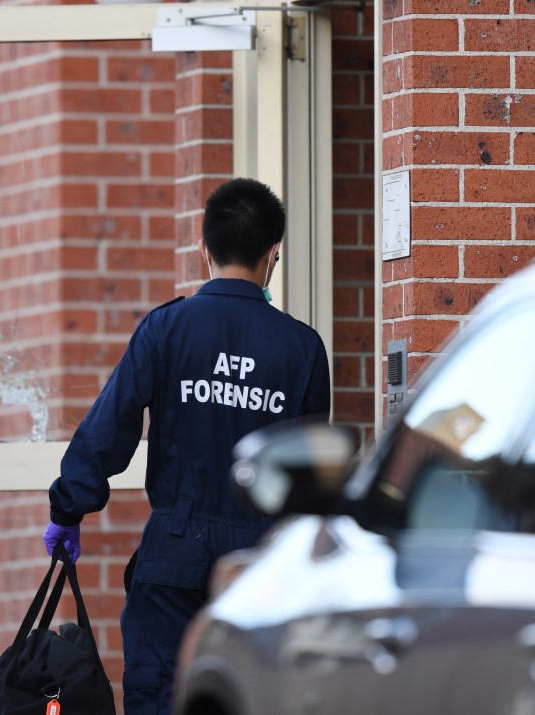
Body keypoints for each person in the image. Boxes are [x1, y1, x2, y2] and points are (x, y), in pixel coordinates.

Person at [43, 177, 331, 715]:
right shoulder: (303, 349)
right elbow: (310, 478)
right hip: (261, 569)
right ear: (275, 255)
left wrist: (69, 508)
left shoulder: (166, 330)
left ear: (205, 250)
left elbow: (110, 428)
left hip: (176, 555)